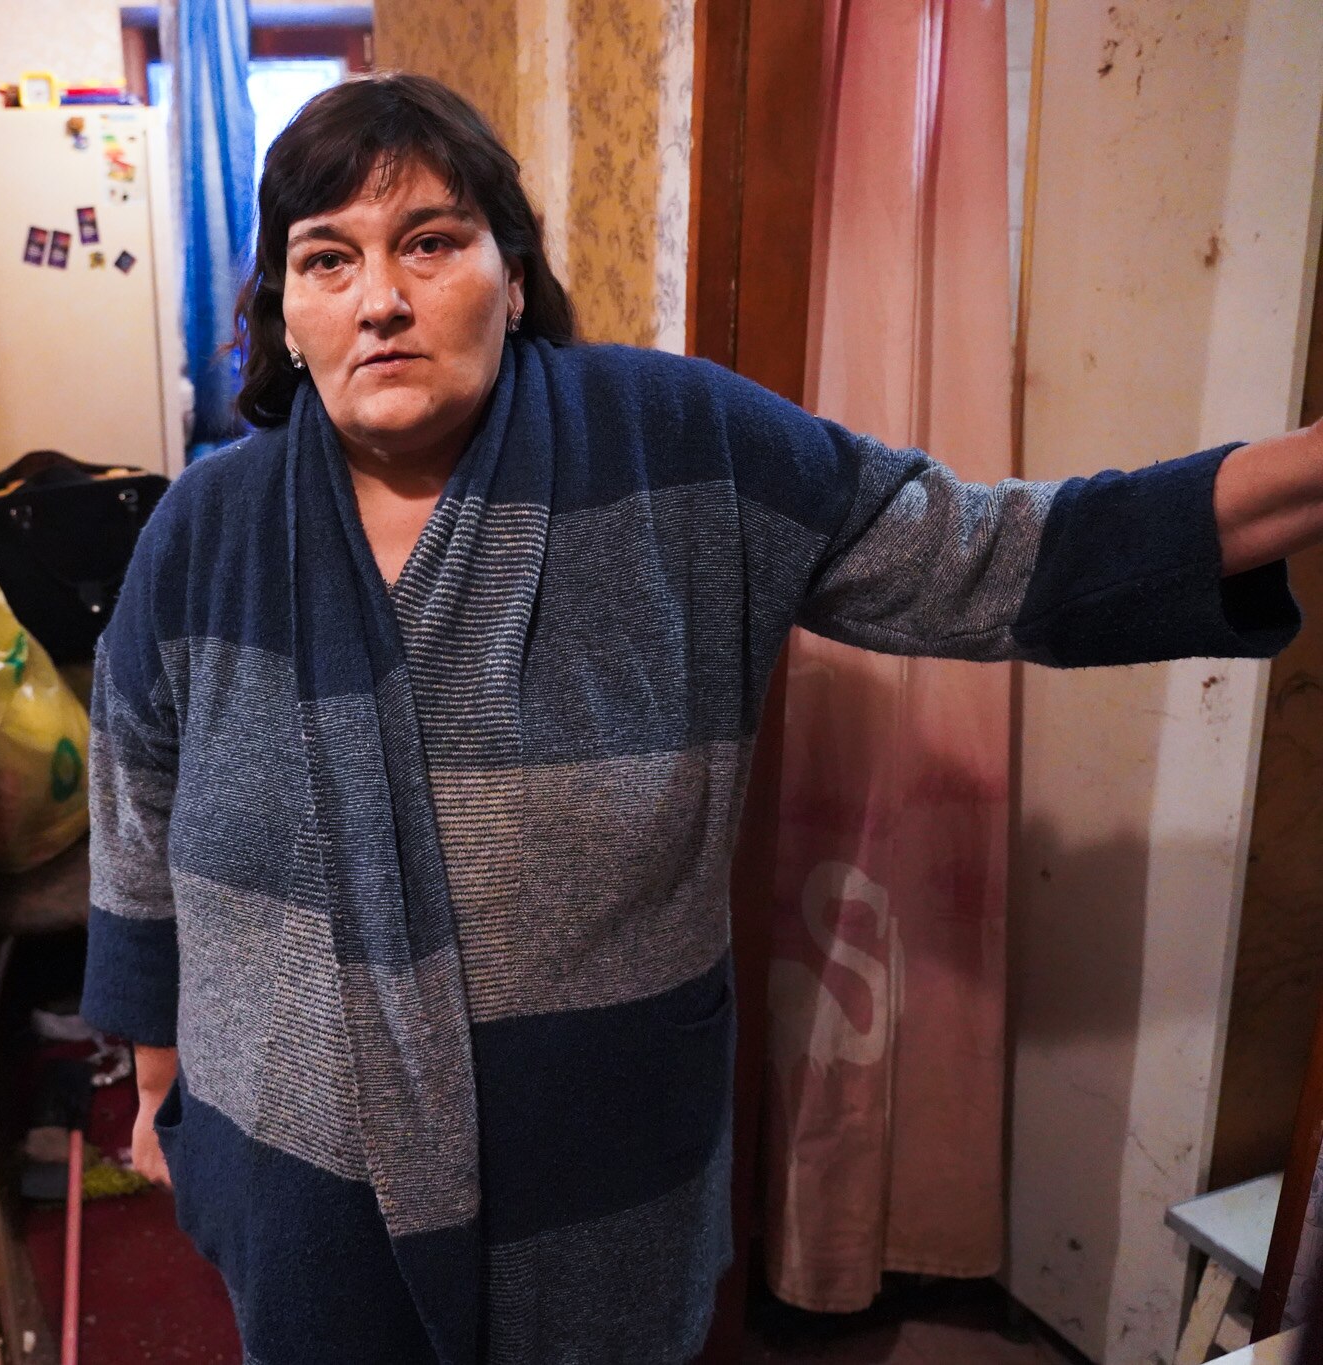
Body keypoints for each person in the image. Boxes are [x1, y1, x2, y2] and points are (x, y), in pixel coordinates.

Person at [79, 72, 1315, 1365]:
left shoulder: (680, 450)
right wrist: (161, 1062)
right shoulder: (207, 527)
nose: (379, 298)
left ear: (512, 270)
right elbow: (136, 781)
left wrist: (1304, 476)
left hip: (596, 1172)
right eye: (327, 259)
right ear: (285, 306)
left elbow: (987, 554)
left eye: (430, 242)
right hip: (294, 1157)